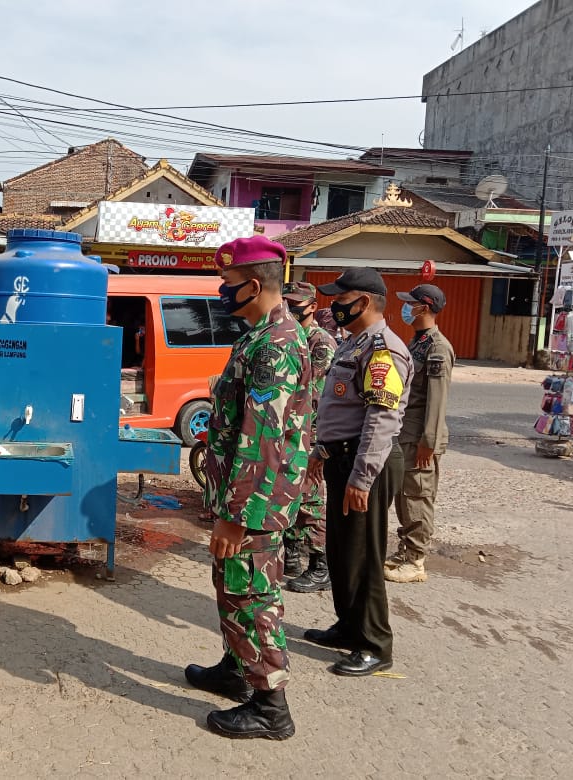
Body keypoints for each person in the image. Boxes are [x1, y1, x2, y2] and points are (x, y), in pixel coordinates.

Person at [184, 235, 311, 741]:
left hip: (254, 503)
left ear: (253, 286)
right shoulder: (259, 334)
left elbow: (263, 438)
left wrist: (235, 514)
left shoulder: (276, 345)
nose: (222, 293)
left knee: (253, 594)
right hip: (245, 497)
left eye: (228, 285)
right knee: (232, 588)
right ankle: (237, 670)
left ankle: (270, 706)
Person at [304, 268, 413, 676]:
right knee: (342, 550)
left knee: (365, 555)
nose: (335, 306)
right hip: (342, 457)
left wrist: (362, 477)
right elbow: (340, 410)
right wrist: (321, 449)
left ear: (363, 302)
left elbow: (381, 418)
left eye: (341, 298)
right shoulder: (355, 343)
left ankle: (375, 643)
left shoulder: (384, 349)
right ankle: (349, 627)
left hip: (368, 462)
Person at [386, 284, 454, 584]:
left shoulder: (438, 348)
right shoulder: (418, 342)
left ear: (423, 308)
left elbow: (437, 401)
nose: (405, 308)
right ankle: (406, 551)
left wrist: (429, 442)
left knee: (418, 497)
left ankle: (416, 561)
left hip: (420, 439)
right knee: (404, 497)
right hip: (406, 434)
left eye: (409, 303)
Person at [282, 281, 337, 593]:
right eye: (286, 302)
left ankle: (321, 565)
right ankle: (291, 554)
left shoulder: (320, 342)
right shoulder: (293, 337)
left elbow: (308, 392)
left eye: (295, 303)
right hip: (292, 432)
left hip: (311, 434)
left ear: (312, 306)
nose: (290, 309)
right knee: (289, 493)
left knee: (309, 500)